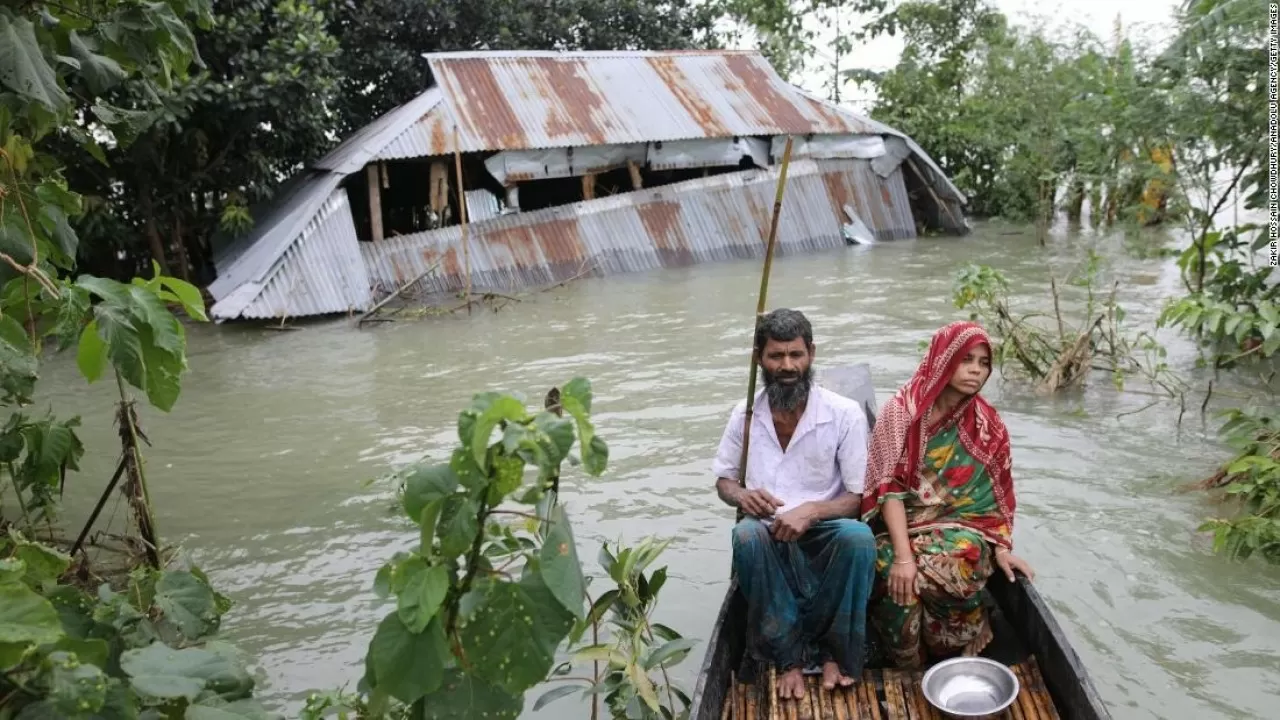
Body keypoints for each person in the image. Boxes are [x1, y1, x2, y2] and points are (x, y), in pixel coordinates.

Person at [712, 308, 876, 701]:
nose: (787, 366)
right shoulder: (745, 414)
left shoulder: (844, 414)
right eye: (776, 356)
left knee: (859, 539)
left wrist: (813, 511)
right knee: (746, 536)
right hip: (768, 529)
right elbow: (723, 481)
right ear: (759, 359)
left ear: (811, 354)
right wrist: (742, 495)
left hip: (825, 526)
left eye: (795, 355)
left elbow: (857, 498)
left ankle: (837, 654)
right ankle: (789, 658)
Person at [860, 321, 1036, 670]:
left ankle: (960, 633)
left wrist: (1001, 547)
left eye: (983, 363)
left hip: (960, 532)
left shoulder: (988, 425)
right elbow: (888, 489)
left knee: (964, 557)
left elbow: (998, 495)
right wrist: (904, 558)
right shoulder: (902, 411)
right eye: (966, 359)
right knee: (891, 579)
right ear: (943, 358)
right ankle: (911, 663)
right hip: (897, 528)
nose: (975, 370)